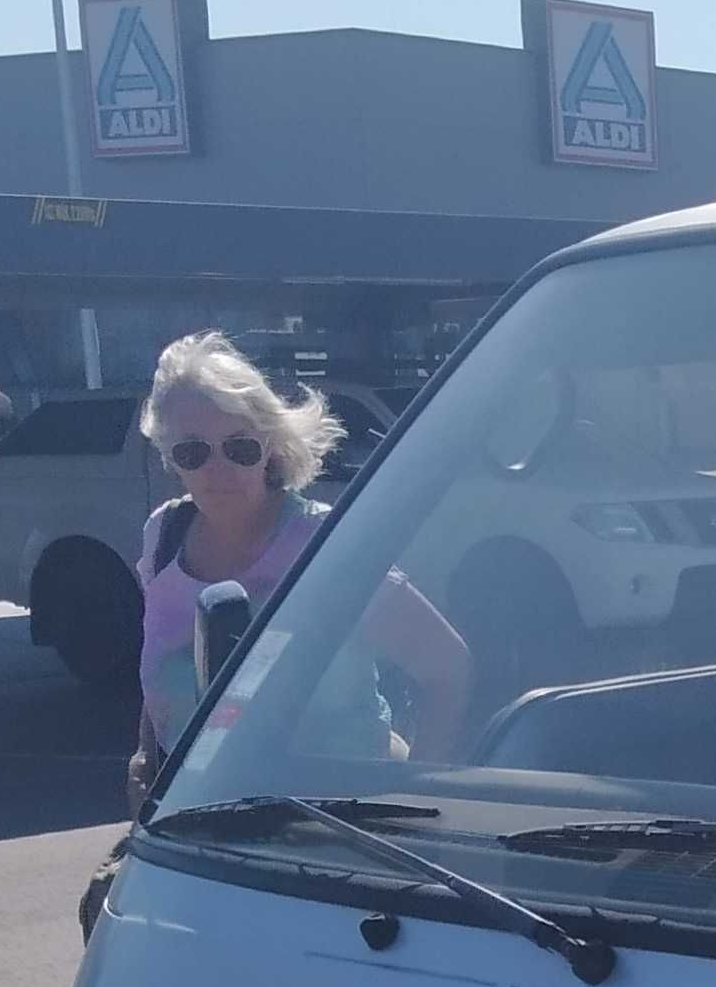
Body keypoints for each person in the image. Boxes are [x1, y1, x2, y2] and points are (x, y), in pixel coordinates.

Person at [121, 330, 469, 811]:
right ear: (169, 457)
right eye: (193, 451)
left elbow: (447, 667)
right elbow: (160, 653)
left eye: (239, 447)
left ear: (271, 446)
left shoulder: (323, 545)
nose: (218, 469)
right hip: (195, 822)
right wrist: (145, 753)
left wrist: (411, 804)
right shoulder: (163, 536)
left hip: (331, 830)